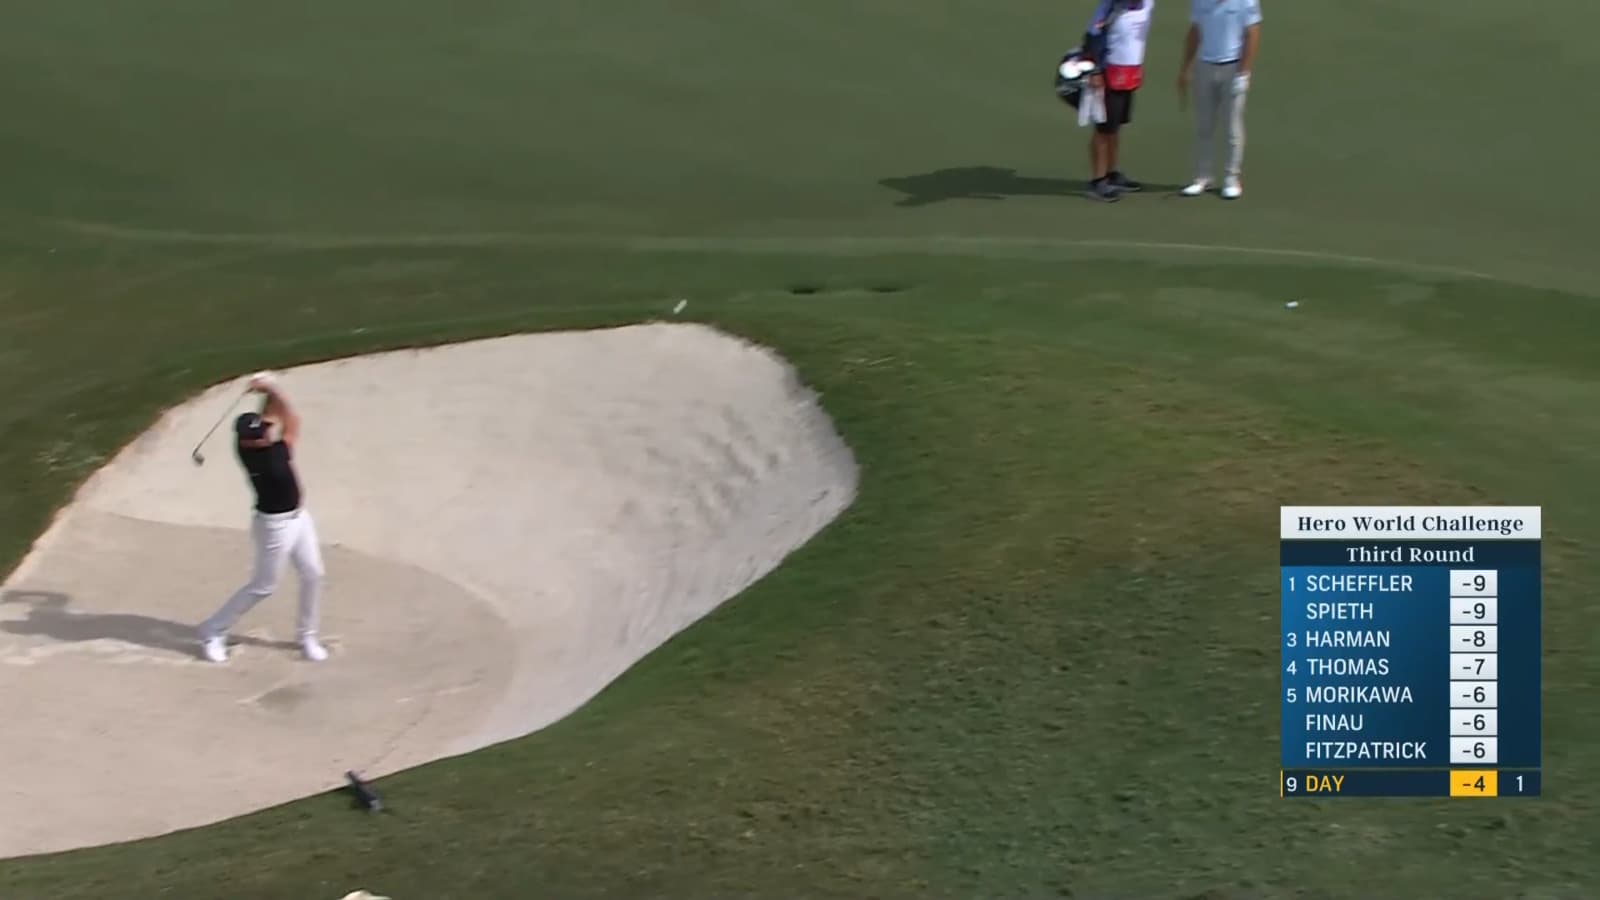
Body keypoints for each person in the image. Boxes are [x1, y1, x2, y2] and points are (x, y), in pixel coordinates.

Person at [197, 372, 328, 663]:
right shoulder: (271, 458)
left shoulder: (246, 445)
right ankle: (212, 629)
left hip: (299, 519)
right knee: (264, 585)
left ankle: (307, 635)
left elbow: (269, 416)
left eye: (263, 432)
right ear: (248, 441)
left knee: (314, 574)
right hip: (275, 527)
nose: (264, 436)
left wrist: (264, 391)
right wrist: (273, 388)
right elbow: (292, 421)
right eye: (259, 436)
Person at [1178, 0, 1263, 199]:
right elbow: (1195, 32)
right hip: (1205, 65)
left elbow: (1252, 33)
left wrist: (1244, 74)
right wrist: (1185, 68)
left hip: (1232, 67)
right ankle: (1202, 177)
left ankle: (1231, 178)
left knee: (1232, 125)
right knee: (1204, 125)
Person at [1080, 0, 1155, 202]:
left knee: (1116, 127)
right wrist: (1095, 70)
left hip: (1129, 74)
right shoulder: (1110, 6)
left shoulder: (1147, 3)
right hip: (1108, 73)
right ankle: (1097, 180)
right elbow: (1092, 36)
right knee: (1103, 130)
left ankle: (1111, 173)